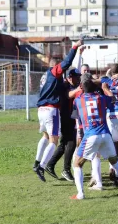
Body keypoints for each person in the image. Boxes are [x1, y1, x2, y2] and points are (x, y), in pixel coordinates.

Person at [70, 74, 118, 199]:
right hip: (105, 134)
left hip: (91, 135)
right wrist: (106, 88)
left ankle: (80, 194)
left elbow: (75, 116)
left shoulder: (78, 100)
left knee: (77, 164)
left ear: (81, 86)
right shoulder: (101, 98)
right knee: (116, 163)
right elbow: (113, 100)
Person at [33, 39, 83, 182]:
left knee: (45, 137)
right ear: (56, 66)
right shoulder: (54, 72)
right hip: (51, 110)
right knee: (54, 141)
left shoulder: (46, 76)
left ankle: (37, 162)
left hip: (41, 109)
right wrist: (75, 47)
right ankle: (42, 167)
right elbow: (66, 63)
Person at [44, 68, 82, 181]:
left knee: (64, 143)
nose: (79, 79)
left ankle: (50, 164)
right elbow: (68, 95)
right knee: (71, 142)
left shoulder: (73, 84)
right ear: (70, 77)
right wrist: (79, 89)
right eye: (77, 77)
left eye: (79, 77)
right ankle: (65, 170)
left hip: (70, 117)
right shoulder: (65, 85)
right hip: (65, 117)